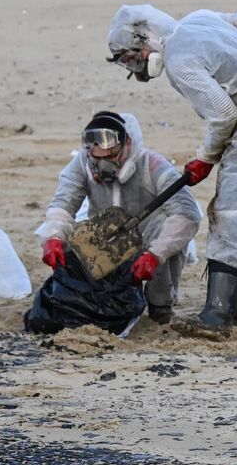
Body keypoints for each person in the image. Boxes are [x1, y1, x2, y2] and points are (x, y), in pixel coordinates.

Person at [106, 5, 237, 334]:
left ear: (144, 40)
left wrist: (205, 158)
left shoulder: (178, 62)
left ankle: (218, 316)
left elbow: (224, 114)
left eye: (132, 58)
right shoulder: (201, 19)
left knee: (229, 211)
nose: (137, 67)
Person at [36, 111, 202, 323]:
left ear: (128, 144)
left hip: (149, 239)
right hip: (106, 239)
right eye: (97, 159)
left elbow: (187, 214)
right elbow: (63, 205)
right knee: (69, 242)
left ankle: (160, 308)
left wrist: (155, 254)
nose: (103, 165)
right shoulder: (81, 164)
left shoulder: (152, 166)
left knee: (164, 228)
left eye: (111, 157)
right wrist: (53, 238)